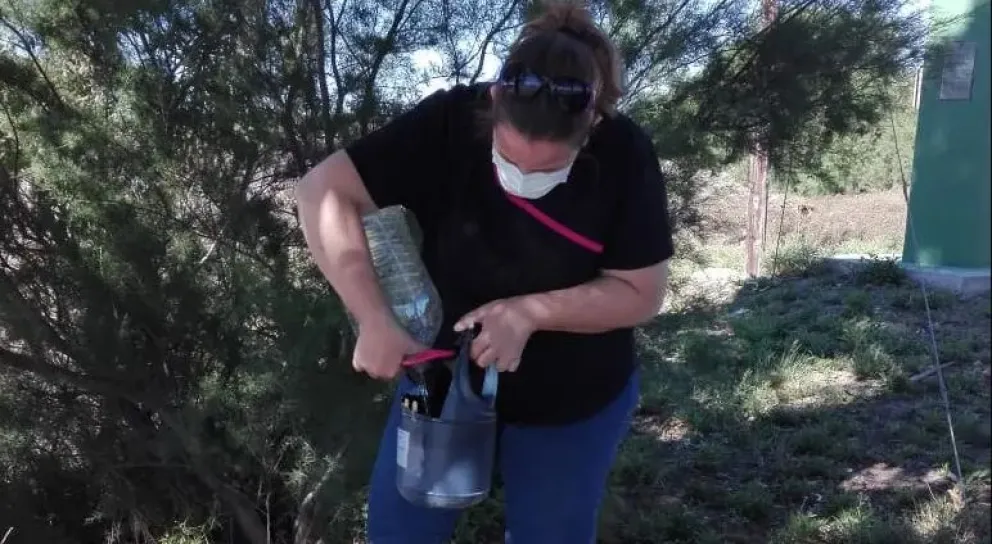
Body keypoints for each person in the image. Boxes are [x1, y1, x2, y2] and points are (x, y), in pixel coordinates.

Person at [295, 2, 674, 542]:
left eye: (546, 168)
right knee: (399, 533)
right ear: (494, 101)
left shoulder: (625, 153)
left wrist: (529, 313)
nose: (521, 176)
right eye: (508, 156)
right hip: (437, 381)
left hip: (571, 396)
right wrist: (372, 317)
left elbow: (642, 293)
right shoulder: (449, 122)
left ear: (590, 126)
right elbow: (322, 192)